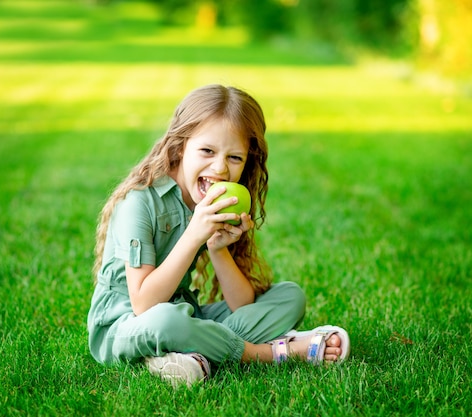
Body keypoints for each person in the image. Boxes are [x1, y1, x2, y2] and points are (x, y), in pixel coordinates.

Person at [87, 84, 350, 387]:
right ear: (180, 145)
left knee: (289, 296)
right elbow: (144, 305)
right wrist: (193, 235)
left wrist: (217, 249)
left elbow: (242, 305)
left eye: (235, 158)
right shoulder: (140, 202)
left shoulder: (210, 203)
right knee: (168, 322)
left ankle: (192, 357)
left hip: (184, 314)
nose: (220, 168)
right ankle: (273, 352)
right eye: (207, 151)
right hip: (126, 325)